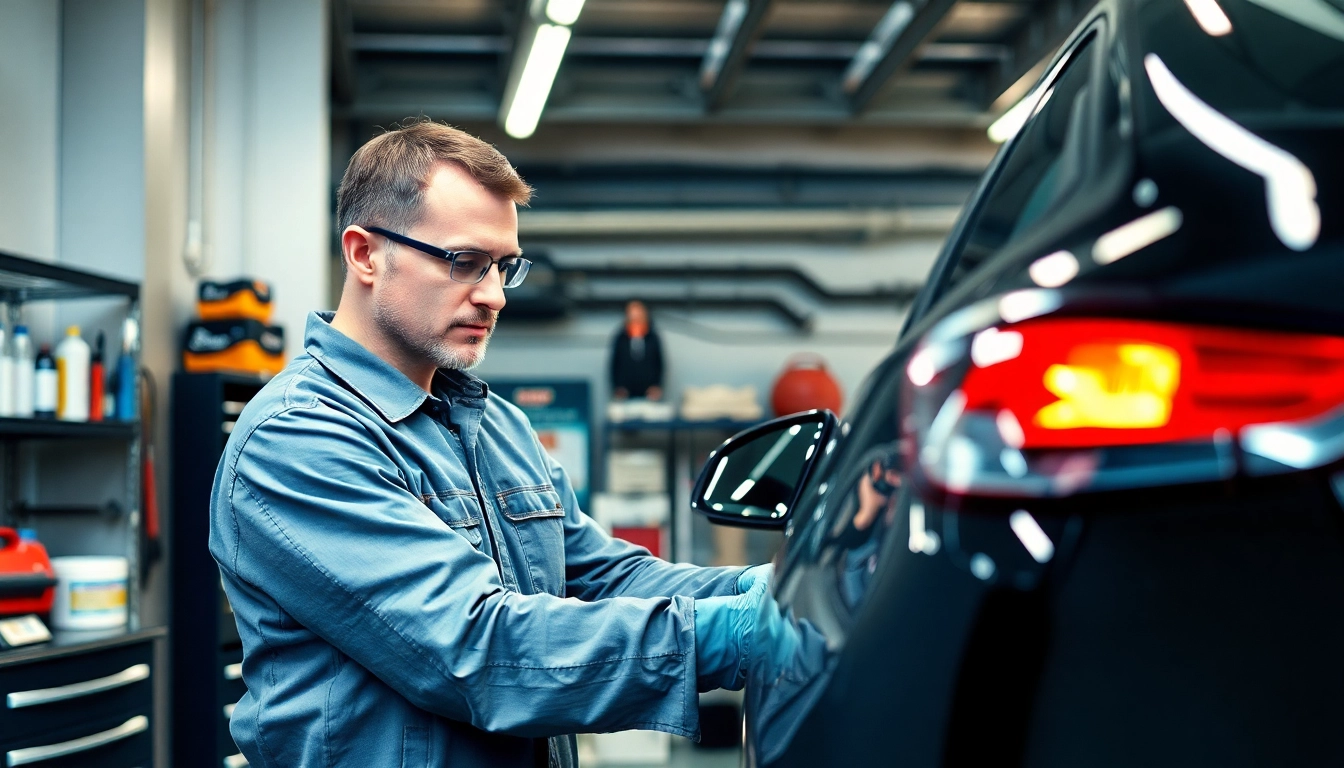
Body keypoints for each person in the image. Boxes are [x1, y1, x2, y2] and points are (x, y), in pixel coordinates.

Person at [209, 120, 769, 768]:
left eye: (505, 266)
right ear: (365, 254)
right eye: (464, 263)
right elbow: (472, 648)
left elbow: (602, 578)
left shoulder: (496, 424)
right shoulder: (296, 439)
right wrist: (731, 636)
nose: (495, 295)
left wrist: (769, 592)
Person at [609, 299, 664, 401]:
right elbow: (614, 364)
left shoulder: (653, 337)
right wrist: (618, 386)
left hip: (649, 393)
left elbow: (659, 363)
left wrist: (657, 386)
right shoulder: (620, 338)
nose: (635, 316)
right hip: (625, 393)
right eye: (632, 312)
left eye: (639, 312)